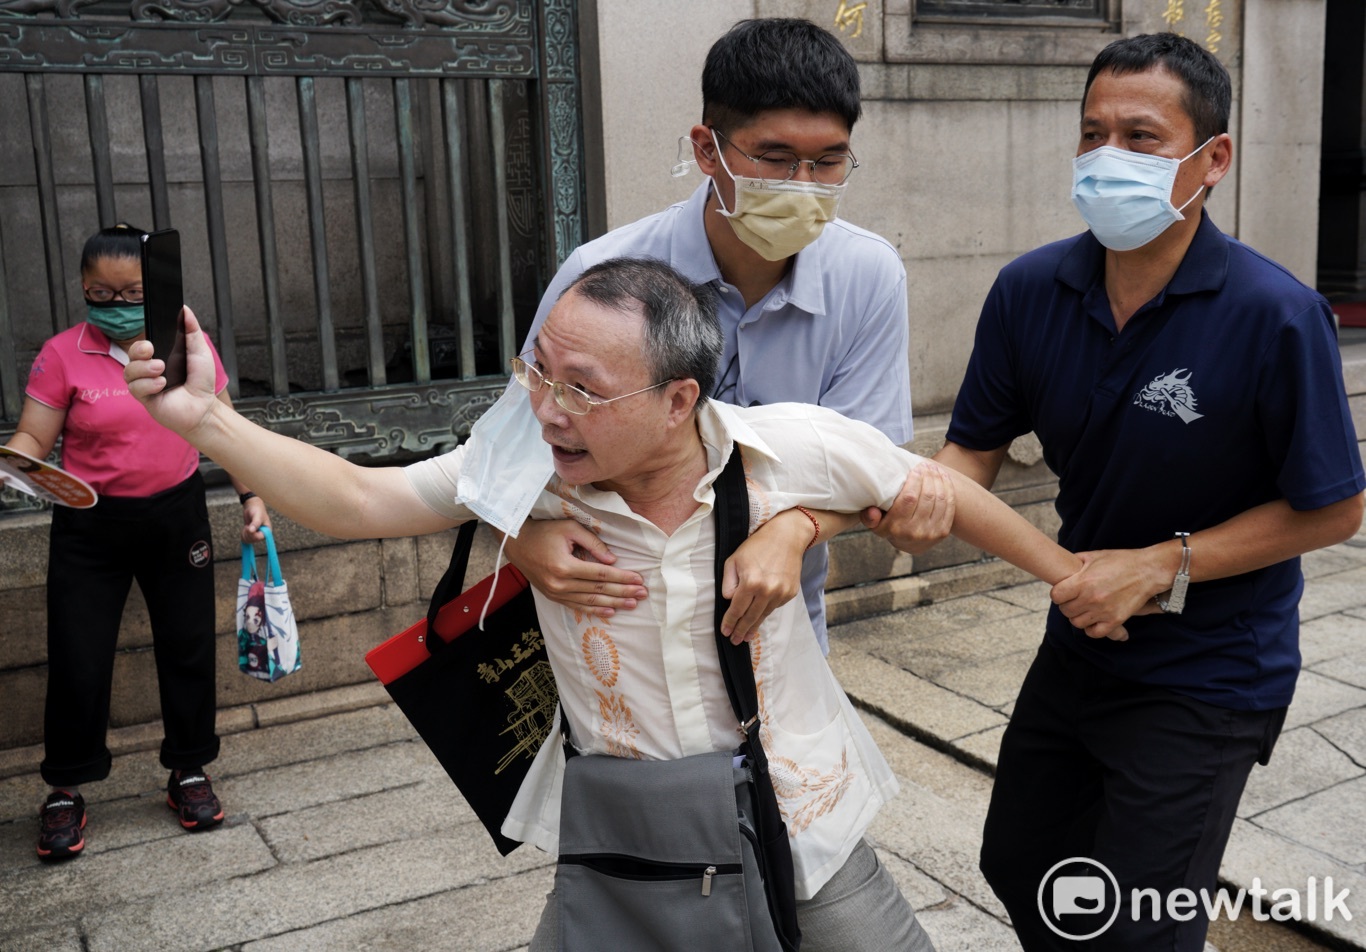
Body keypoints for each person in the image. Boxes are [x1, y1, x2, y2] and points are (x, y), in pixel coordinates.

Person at [127, 256, 1108, 951]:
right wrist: (207, 417)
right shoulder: (526, 464)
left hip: (794, 809)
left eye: (582, 387)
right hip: (623, 827)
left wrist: (1065, 577)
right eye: (538, 371)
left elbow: (946, 497)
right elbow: (358, 499)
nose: (548, 405)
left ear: (677, 402)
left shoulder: (791, 448)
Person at [864, 34, 1365, 950]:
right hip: (1083, 642)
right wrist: (923, 498)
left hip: (1210, 669)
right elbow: (971, 453)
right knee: (1023, 862)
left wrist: (1161, 565)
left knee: (1142, 918)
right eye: (1093, 135)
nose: (1110, 159)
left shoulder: (1276, 314)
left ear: (1211, 159)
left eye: (1142, 137)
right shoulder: (1029, 291)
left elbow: (1334, 507)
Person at [499, 17, 950, 652]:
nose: (803, 186)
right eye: (774, 158)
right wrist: (523, 541)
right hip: (614, 616)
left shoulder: (868, 274)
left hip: (779, 626)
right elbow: (509, 447)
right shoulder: (600, 273)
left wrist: (792, 530)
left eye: (827, 163)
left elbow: (866, 469)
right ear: (708, 149)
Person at [7, 223, 271, 861]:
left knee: (185, 647)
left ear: (154, 291)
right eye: (99, 291)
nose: (114, 304)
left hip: (175, 518)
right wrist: (16, 464)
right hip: (90, 528)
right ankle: (66, 790)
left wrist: (251, 495)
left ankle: (188, 772)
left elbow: (223, 428)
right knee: (79, 656)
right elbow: (33, 440)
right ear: (82, 288)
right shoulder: (61, 354)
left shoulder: (185, 347)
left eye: (129, 293)